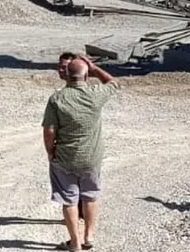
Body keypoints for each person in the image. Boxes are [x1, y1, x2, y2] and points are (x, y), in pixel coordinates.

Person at [42, 53, 120, 252]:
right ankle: (89, 236)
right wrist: (93, 68)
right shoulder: (95, 94)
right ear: (86, 77)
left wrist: (50, 152)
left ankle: (75, 243)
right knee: (91, 196)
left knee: (69, 200)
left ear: (66, 74)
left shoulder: (57, 99)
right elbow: (113, 82)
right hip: (91, 157)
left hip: (65, 158)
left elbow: (49, 131)